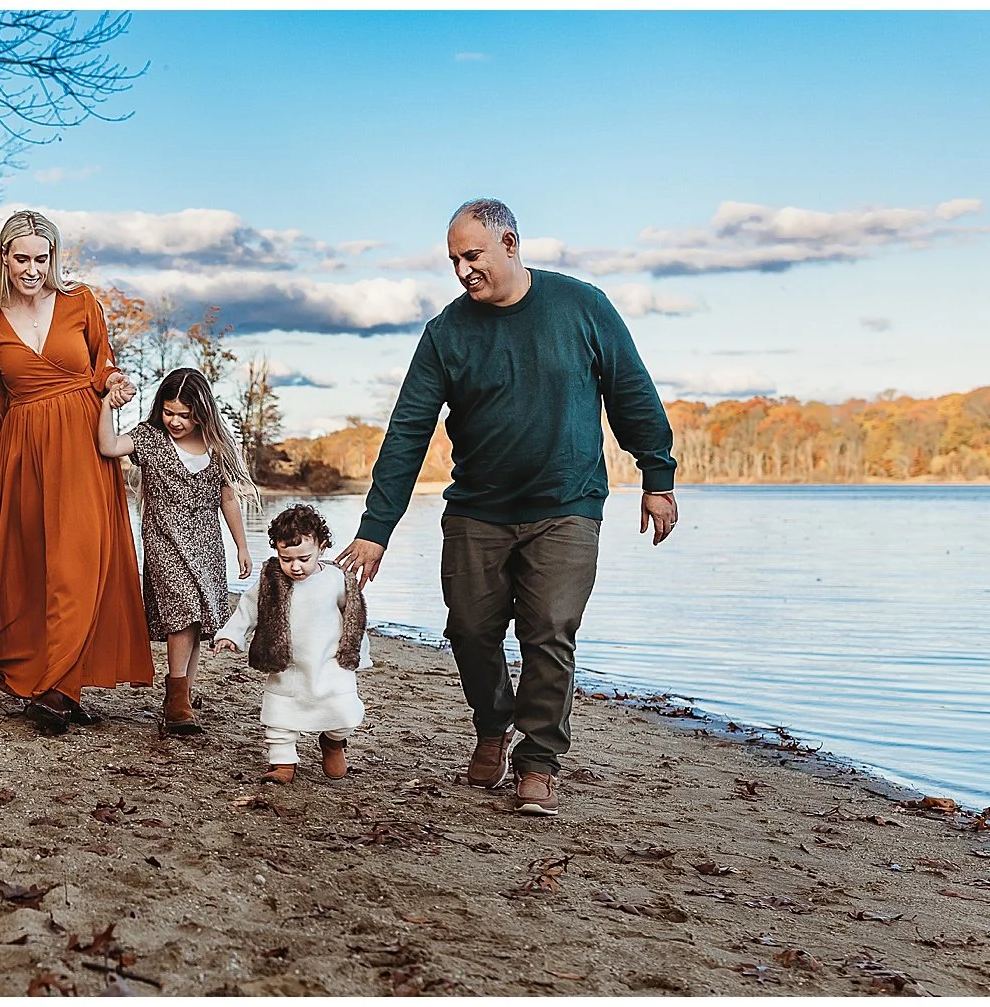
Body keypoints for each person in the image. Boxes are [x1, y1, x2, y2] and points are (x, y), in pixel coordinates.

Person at [335, 197, 679, 817]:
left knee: (550, 631)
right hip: (477, 510)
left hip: (567, 506)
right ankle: (492, 726)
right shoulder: (447, 331)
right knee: (470, 629)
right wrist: (375, 529)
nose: (464, 270)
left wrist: (656, 474)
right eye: (454, 260)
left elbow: (631, 391)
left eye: (473, 255)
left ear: (511, 243)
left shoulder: (582, 307)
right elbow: (409, 429)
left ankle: (539, 761)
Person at [0, 209, 155, 729]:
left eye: (42, 257)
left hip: (81, 448)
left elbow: (104, 368)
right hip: (22, 451)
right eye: (22, 258)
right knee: (32, 566)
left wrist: (118, 386)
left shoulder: (82, 304)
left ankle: (61, 686)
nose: (32, 268)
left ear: (53, 258)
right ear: (4, 259)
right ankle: (45, 682)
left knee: (78, 564)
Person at [96, 367, 257, 733]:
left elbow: (228, 498)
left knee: (199, 620)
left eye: (184, 415)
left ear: (201, 412)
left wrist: (242, 547)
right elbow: (108, 446)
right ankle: (176, 699)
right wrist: (107, 405)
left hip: (207, 544)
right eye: (169, 412)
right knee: (183, 611)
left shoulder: (218, 445)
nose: (175, 421)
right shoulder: (150, 438)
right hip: (165, 540)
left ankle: (181, 696)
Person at [215, 504, 372, 784]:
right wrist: (231, 635)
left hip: (330, 663)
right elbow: (249, 608)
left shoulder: (336, 579)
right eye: (287, 559)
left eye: (303, 558)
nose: (295, 566)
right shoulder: (272, 580)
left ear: (322, 547)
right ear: (277, 550)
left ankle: (334, 742)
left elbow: (354, 616)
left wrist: (358, 652)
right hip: (286, 663)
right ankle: (283, 763)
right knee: (281, 718)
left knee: (345, 712)